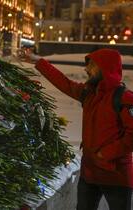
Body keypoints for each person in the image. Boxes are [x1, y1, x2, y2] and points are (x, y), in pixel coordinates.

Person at [28, 48, 133, 210]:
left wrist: (106, 153)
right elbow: (64, 82)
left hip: (116, 177)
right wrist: (38, 62)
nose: (86, 69)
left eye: (91, 65)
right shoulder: (89, 93)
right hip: (89, 174)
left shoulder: (125, 98)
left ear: (104, 68)